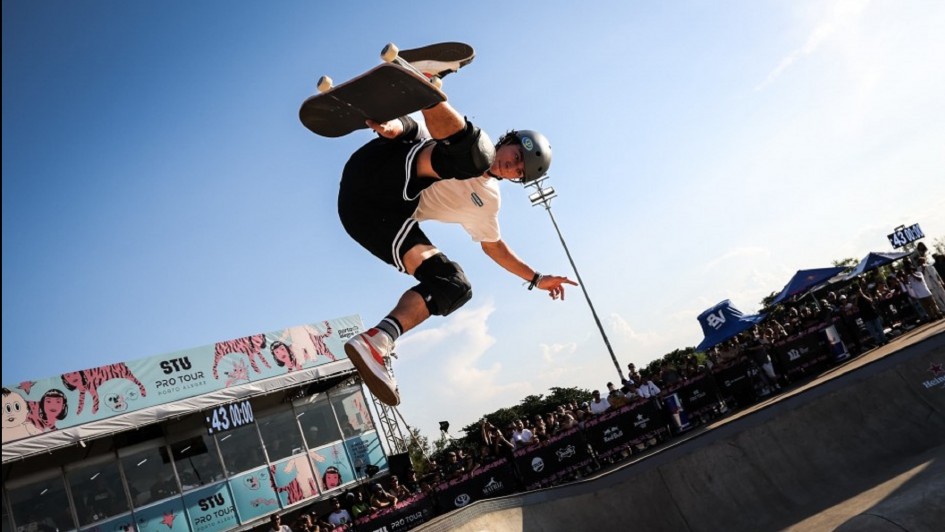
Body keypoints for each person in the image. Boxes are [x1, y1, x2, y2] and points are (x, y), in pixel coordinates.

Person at [335, 94, 578, 406]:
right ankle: (426, 92)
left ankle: (377, 341)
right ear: (508, 141)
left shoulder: (488, 201)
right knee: (471, 156)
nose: (512, 166)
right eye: (516, 155)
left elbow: (494, 246)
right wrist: (394, 125)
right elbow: (413, 128)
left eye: (519, 171)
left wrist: (537, 278)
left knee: (453, 285)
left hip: (369, 217)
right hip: (374, 171)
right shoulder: (462, 139)